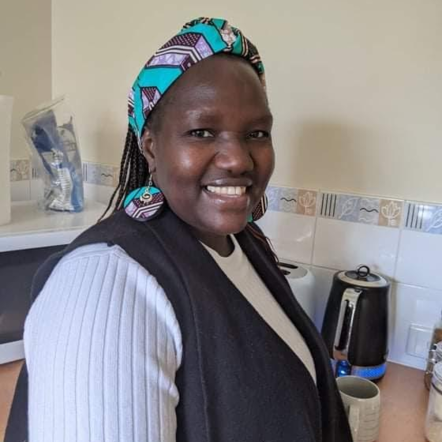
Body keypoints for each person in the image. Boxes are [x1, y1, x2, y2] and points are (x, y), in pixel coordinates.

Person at [7, 17, 352, 442]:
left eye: (257, 133)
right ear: (150, 146)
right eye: (202, 131)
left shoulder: (243, 244)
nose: (238, 160)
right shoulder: (105, 283)